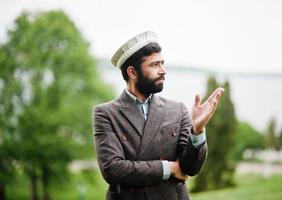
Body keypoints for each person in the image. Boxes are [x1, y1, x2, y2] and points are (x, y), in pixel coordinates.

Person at [92, 31, 224, 200]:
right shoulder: (106, 113)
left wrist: (197, 130)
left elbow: (190, 168)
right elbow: (113, 169)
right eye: (154, 65)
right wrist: (168, 169)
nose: (163, 71)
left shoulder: (178, 110)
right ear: (132, 72)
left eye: (162, 63)